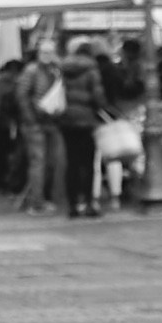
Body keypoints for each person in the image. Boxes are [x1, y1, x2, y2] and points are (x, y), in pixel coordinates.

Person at [56, 37, 111, 218]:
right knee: (88, 163)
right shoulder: (91, 70)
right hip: (87, 120)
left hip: (66, 120)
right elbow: (99, 98)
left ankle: (73, 205)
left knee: (71, 162)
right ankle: (88, 203)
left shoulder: (63, 69)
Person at [16, 39, 64, 214]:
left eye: (50, 52)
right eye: (44, 52)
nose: (47, 56)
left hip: (51, 121)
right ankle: (37, 202)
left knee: (51, 162)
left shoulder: (54, 70)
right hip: (35, 123)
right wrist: (30, 119)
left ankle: (45, 197)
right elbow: (22, 96)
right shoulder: (31, 71)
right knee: (39, 162)